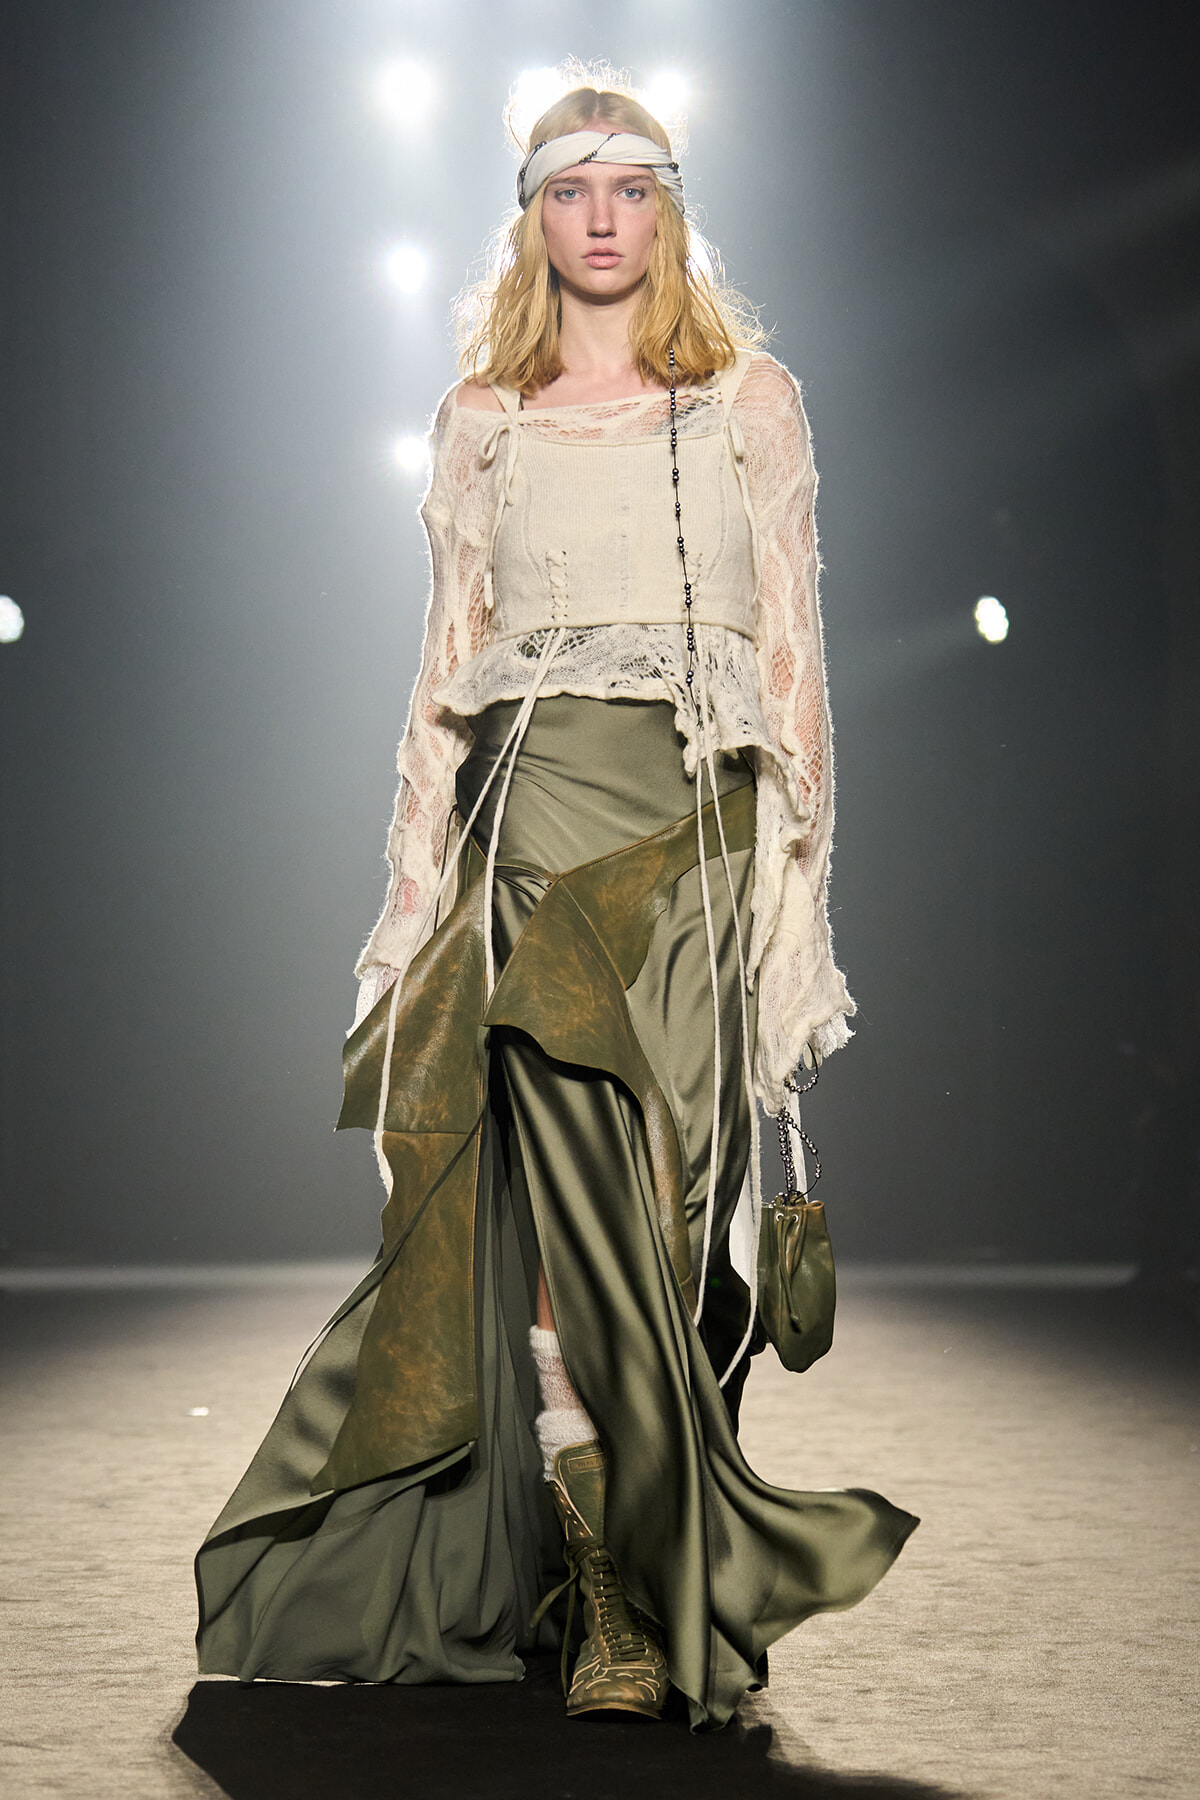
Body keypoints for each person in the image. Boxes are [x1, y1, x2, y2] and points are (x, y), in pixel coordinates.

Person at [195, 74, 917, 1731]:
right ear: (531, 216)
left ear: (671, 211)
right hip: (532, 821)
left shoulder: (755, 404)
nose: (602, 216)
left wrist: (799, 896)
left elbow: (799, 663)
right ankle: (610, 1607)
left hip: (700, 828)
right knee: (563, 1224)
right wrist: (404, 910)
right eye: (569, 189)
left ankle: (647, 1550)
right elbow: (441, 675)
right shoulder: (484, 419)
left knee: (666, 1221)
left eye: (632, 187)